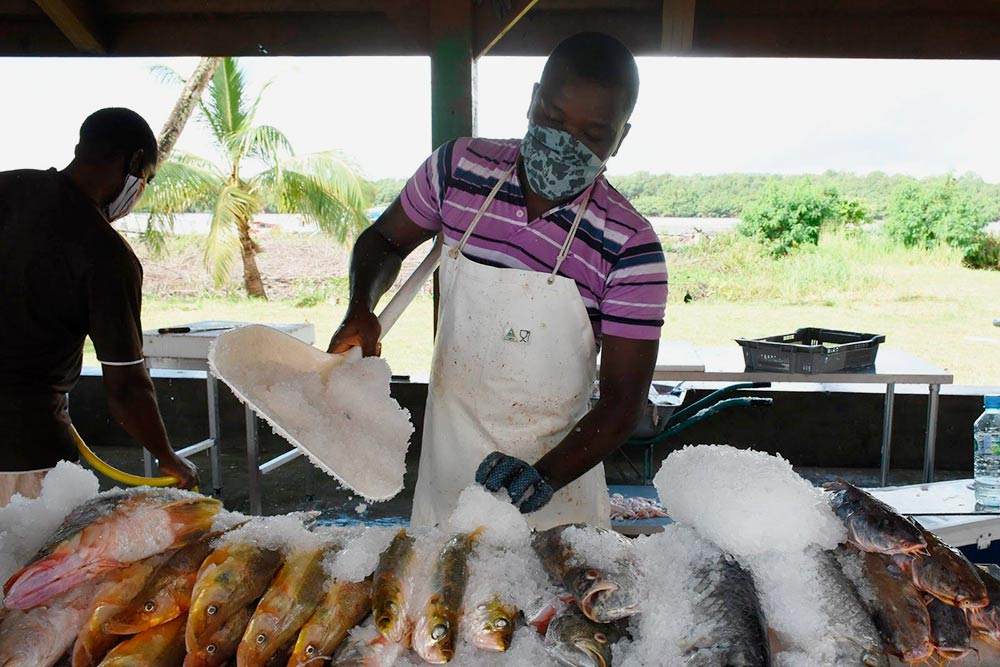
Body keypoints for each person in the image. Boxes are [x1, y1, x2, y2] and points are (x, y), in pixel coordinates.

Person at [329, 33, 667, 530]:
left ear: (621, 137)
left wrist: (542, 476)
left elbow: (622, 404)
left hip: (556, 492)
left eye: (593, 135)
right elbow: (384, 239)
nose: (565, 144)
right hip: (450, 474)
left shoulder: (630, 247)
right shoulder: (457, 170)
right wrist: (361, 306)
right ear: (533, 101)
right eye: (553, 120)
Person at [0, 107, 199, 505]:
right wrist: (169, 458)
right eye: (146, 179)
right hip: (21, 454)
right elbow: (126, 388)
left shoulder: (7, 187)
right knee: (25, 567)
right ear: (135, 164)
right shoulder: (104, 253)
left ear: (80, 148)